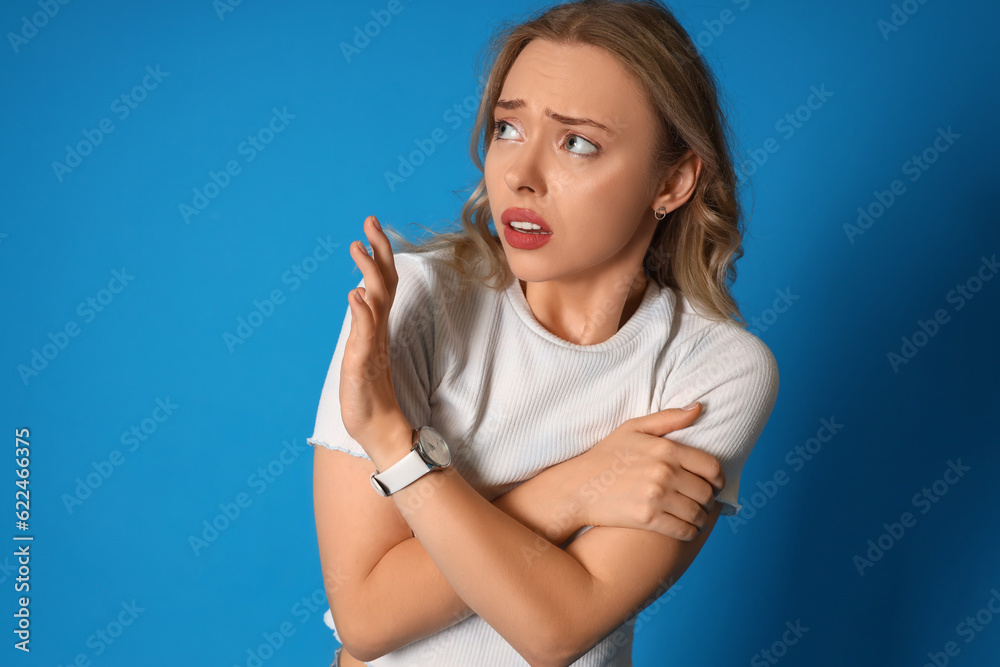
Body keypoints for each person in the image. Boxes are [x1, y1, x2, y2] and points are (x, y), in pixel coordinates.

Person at [308, 1, 779, 665]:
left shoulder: (715, 370)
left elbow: (557, 624)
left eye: (577, 142)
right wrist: (576, 487)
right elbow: (365, 613)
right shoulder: (413, 299)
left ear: (673, 180)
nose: (520, 176)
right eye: (507, 128)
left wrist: (397, 445)